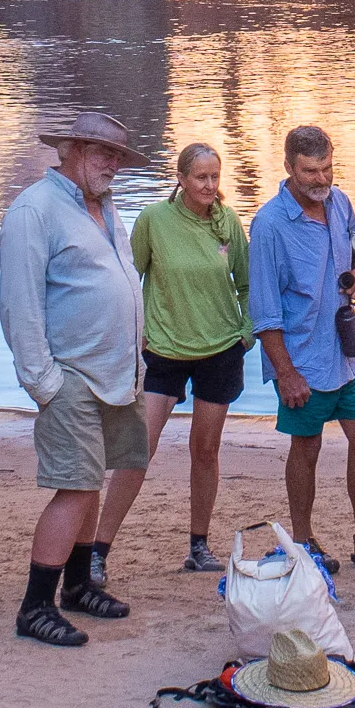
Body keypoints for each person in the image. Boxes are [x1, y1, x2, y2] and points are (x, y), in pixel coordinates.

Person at [0, 113, 150, 647]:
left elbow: (123, 277)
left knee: (94, 480)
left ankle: (78, 585)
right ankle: (34, 606)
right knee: (76, 487)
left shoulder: (104, 207)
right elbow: (19, 305)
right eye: (101, 153)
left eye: (118, 157)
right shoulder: (34, 211)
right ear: (71, 150)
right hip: (70, 376)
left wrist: (139, 343)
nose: (112, 165)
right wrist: (43, 382)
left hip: (115, 373)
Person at [248, 125, 355, 573]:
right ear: (288, 168)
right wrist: (286, 373)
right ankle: (302, 543)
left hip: (346, 351)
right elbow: (264, 311)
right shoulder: (268, 226)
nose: (321, 180)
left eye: (327, 169)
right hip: (301, 358)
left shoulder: (340, 202)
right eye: (310, 172)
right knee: (307, 445)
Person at [104, 141, 251, 577]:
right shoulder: (154, 220)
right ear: (182, 178)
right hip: (164, 350)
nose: (209, 185)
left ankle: (198, 546)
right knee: (138, 450)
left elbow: (247, 284)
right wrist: (137, 331)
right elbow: (131, 279)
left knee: (204, 450)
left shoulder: (228, 222)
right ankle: (96, 550)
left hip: (221, 350)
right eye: (200, 177)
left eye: (214, 177)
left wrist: (246, 332)